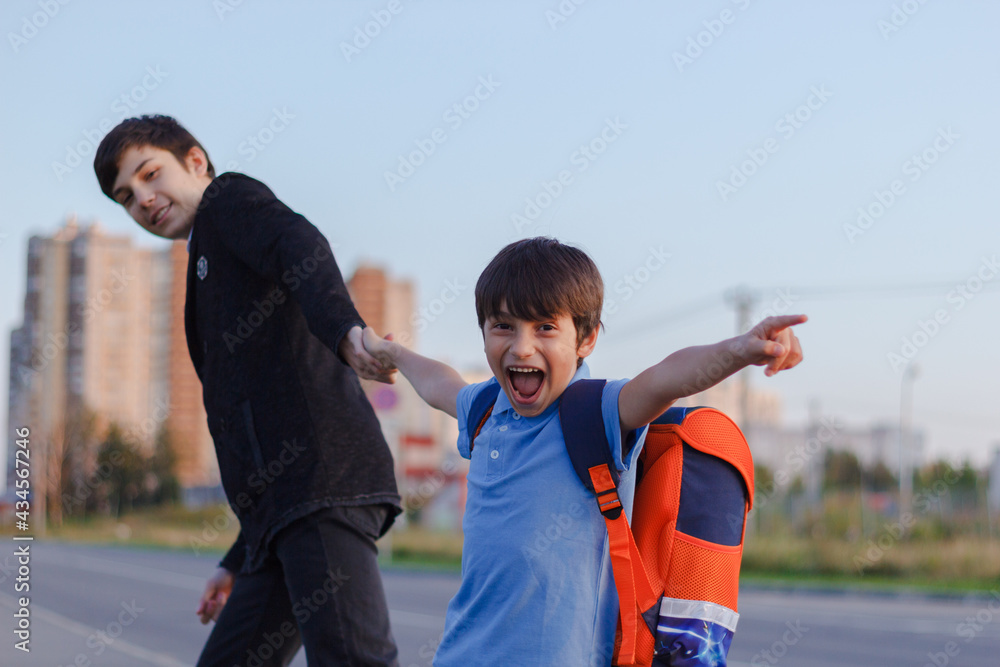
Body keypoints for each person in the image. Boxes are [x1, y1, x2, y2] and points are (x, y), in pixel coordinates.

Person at [363, 237, 805, 666]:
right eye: (503, 326)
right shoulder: (482, 409)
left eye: (546, 328)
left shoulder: (596, 412)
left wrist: (739, 350)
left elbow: (666, 378)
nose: (521, 346)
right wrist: (395, 354)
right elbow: (440, 383)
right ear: (483, 334)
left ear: (586, 338)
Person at [94, 115, 401, 666]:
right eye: (125, 196)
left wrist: (344, 331)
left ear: (194, 161)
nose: (142, 199)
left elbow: (298, 241)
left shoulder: (227, 200)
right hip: (278, 520)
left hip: (323, 485)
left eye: (149, 174)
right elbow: (252, 424)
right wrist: (238, 556)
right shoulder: (209, 258)